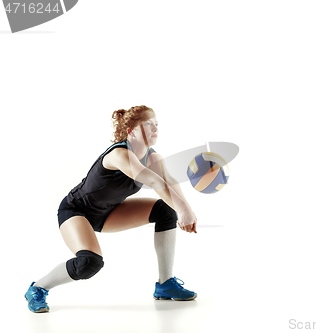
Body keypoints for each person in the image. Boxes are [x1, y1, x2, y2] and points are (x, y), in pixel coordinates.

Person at [25, 105, 198, 313]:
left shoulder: (153, 157)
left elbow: (169, 181)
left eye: (156, 124)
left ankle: (165, 284)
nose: (154, 128)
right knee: (89, 263)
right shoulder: (119, 154)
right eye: (147, 124)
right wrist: (184, 210)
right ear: (130, 131)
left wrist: (185, 209)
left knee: (165, 211)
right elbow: (153, 180)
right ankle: (37, 289)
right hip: (76, 210)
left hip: (109, 213)